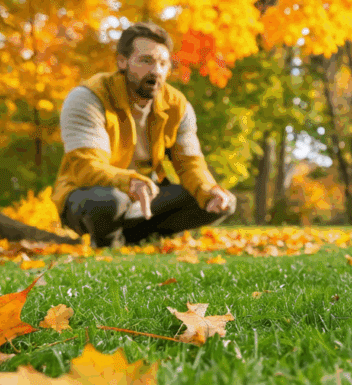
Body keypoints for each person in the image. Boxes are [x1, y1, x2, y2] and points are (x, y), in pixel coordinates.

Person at [52, 22, 236, 247]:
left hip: (145, 197)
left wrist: (209, 191)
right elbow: (86, 167)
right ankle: (109, 243)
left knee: (223, 201)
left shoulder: (178, 106)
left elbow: (190, 164)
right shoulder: (89, 98)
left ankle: (139, 237)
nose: (156, 71)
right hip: (89, 195)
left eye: (163, 63)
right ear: (122, 62)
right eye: (146, 61)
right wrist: (129, 182)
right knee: (111, 201)